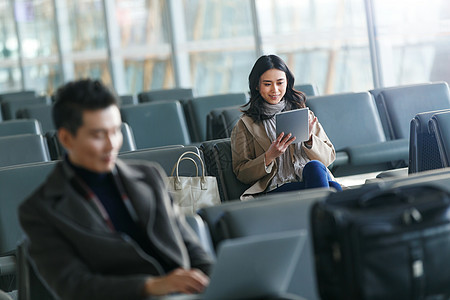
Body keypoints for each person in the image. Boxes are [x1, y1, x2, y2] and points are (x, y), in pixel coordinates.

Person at [19, 79, 213, 300]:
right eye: (98, 135)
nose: (112, 144)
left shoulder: (150, 176)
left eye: (116, 131)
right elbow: (75, 287)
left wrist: (214, 279)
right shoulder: (39, 210)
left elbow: (190, 247)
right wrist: (152, 286)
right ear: (66, 138)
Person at [231, 54, 342, 200]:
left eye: (279, 82)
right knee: (333, 189)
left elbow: (328, 158)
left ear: (287, 82)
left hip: (310, 179)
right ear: (257, 86)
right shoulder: (245, 125)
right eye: (267, 84)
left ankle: (319, 217)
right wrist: (269, 156)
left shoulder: (303, 114)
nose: (275, 90)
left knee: (314, 167)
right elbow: (242, 173)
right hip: (276, 187)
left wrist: (309, 140)